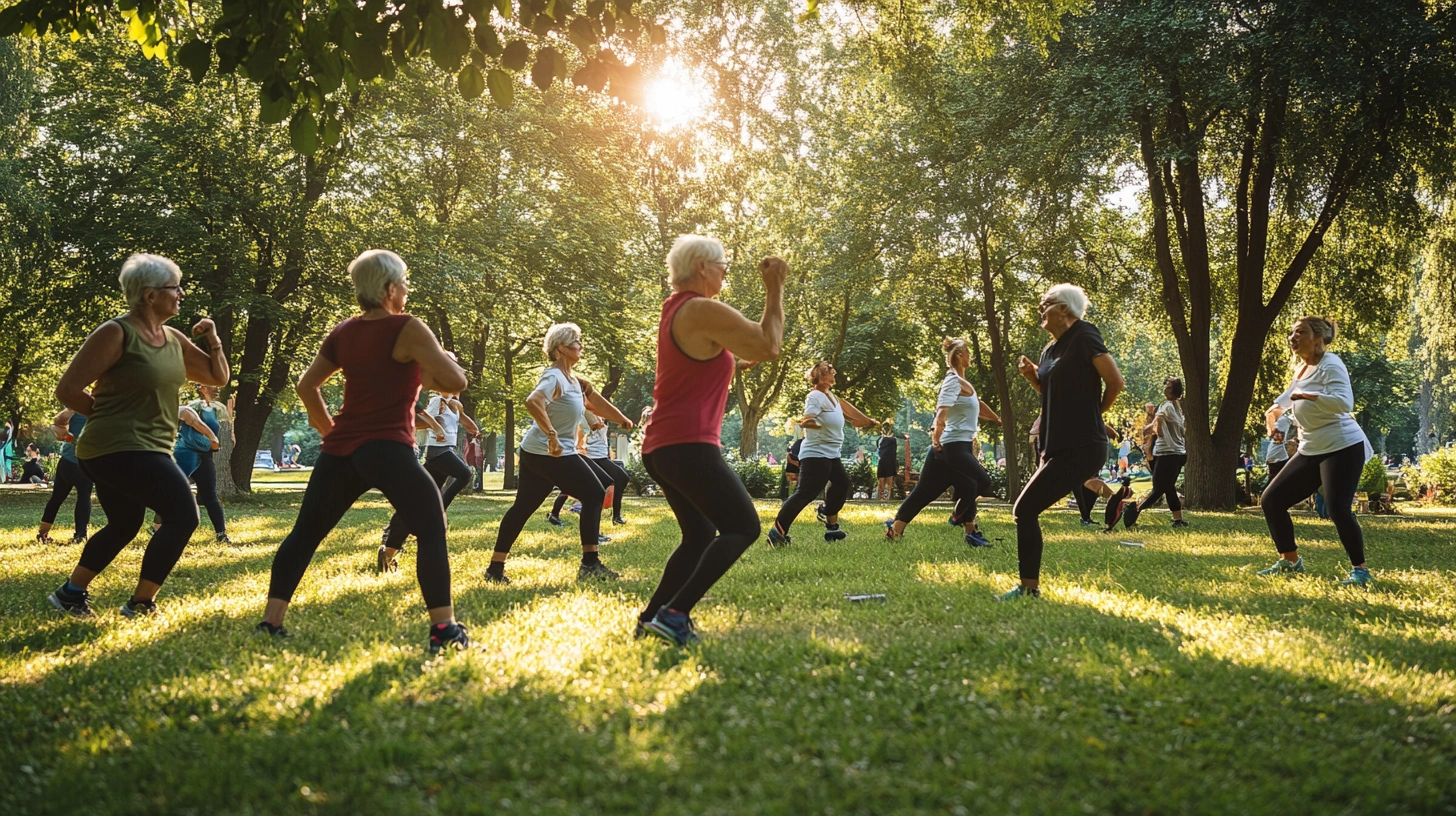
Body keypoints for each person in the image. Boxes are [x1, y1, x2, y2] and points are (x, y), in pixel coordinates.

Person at [258, 249, 471, 651]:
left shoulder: (344, 331)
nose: (407, 291)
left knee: (304, 535)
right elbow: (454, 380)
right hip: (388, 448)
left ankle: (271, 622)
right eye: (404, 284)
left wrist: (329, 431)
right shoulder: (407, 327)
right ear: (390, 288)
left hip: (340, 451)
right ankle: (444, 631)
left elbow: (307, 386)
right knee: (431, 528)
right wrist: (430, 357)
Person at [48, 253, 230, 617]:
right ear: (149, 295)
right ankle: (141, 603)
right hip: (115, 447)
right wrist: (107, 413)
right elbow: (67, 390)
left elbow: (216, 377)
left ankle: (70, 593)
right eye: (174, 288)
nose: (181, 293)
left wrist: (213, 338)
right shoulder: (116, 333)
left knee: (126, 523)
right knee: (183, 515)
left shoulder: (173, 338)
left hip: (145, 447)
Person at [638, 235, 786, 646]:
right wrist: (775, 288)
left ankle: (651, 618)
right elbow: (770, 344)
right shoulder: (701, 308)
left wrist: (734, 362)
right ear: (702, 267)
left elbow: (695, 363)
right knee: (742, 527)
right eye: (723, 265)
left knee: (699, 535)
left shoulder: (676, 311)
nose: (726, 271)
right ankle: (674, 615)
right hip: (687, 446)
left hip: (663, 447)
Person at [1000, 283, 1124, 601]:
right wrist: (1032, 377)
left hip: (1083, 444)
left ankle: (1029, 588)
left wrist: (1095, 414)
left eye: (1046, 303)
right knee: (1026, 509)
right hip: (1056, 444)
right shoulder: (1049, 350)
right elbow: (1051, 393)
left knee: (1024, 509)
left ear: (1064, 309)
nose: (1041, 309)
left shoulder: (1084, 334)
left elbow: (1114, 381)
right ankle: (1028, 587)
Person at [486, 322, 634, 585]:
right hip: (548, 452)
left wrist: (622, 418)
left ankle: (495, 568)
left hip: (539, 451)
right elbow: (534, 401)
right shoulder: (553, 377)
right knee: (595, 492)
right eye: (576, 341)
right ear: (561, 349)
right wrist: (552, 436)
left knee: (524, 507)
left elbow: (595, 401)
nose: (581, 345)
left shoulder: (575, 381)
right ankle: (590, 564)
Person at [1257, 316, 1375, 586]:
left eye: (1300, 332)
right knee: (1271, 500)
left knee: (1337, 508)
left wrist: (1307, 397)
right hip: (1311, 448)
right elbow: (1286, 399)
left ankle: (1361, 570)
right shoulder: (1301, 369)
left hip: (1342, 445)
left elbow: (1345, 403)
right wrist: (1272, 415)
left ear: (1318, 339)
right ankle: (1290, 561)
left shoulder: (1331, 364)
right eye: (1292, 332)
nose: (1293, 337)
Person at [884, 338, 1001, 547]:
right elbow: (941, 411)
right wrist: (935, 436)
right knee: (981, 481)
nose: (970, 356)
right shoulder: (952, 381)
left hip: (958, 446)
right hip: (950, 447)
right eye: (967, 352)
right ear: (959, 355)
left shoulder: (964, 383)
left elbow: (978, 404)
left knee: (931, 491)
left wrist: (995, 418)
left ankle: (897, 530)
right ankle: (956, 516)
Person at [766, 362, 879, 546]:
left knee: (841, 484)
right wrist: (811, 423)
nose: (832, 371)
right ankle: (776, 534)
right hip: (816, 453)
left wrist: (870, 421)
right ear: (818, 376)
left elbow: (856, 419)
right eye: (828, 370)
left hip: (831, 453)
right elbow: (808, 419)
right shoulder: (815, 396)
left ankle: (831, 528)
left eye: (832, 370)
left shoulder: (833, 398)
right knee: (805, 493)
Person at [376, 389, 479, 572]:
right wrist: (434, 426)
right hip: (438, 452)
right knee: (465, 474)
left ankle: (388, 551)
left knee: (415, 502)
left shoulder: (455, 404)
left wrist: (472, 427)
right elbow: (419, 421)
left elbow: (462, 418)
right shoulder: (436, 401)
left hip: (446, 452)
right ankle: (440, 508)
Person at [546, 410, 632, 529]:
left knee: (620, 479)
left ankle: (616, 516)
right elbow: (580, 436)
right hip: (592, 456)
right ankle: (611, 518)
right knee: (617, 479)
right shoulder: (584, 416)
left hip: (601, 456)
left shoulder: (599, 414)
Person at [172, 383, 232, 543]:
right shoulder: (191, 407)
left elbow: (221, 429)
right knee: (173, 492)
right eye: (211, 385)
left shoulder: (217, 408)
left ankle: (221, 535)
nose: (216, 388)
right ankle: (159, 528)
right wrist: (210, 439)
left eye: (217, 386)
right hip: (187, 454)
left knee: (210, 495)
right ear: (201, 388)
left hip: (206, 456)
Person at [1124, 377, 1188, 528]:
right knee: (1169, 487)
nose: (1166, 387)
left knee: (1159, 488)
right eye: (1166, 385)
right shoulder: (1177, 406)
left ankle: (1135, 513)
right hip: (1176, 453)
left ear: (1174, 390)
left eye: (1169, 386)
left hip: (1168, 454)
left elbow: (1158, 421)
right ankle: (1178, 520)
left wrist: (1150, 427)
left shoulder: (1167, 406)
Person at [38, 406, 92, 545]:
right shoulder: (100, 408)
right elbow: (56, 424)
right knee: (83, 496)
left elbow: (56, 424)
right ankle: (80, 534)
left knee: (57, 498)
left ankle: (42, 533)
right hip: (80, 461)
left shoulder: (81, 407)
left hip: (68, 461)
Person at [1265, 411, 1294, 483]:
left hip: (1276, 458)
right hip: (1278, 459)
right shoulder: (1283, 420)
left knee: (1274, 485)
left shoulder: (1282, 421)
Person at [876, 424, 898, 500]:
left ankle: (880, 497)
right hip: (890, 463)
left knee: (881, 482)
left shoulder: (880, 440)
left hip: (882, 462)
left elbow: (878, 449)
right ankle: (887, 497)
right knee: (889, 483)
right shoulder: (893, 440)